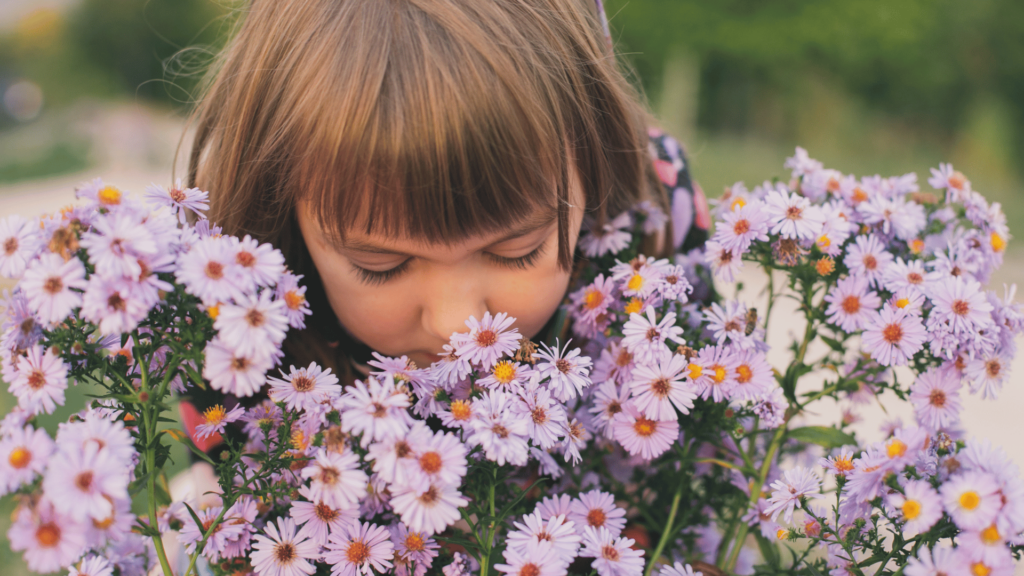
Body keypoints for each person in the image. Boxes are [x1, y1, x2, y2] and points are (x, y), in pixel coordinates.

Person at [179, 0, 710, 435]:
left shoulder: (658, 212)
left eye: (516, 248)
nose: (460, 327)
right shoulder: (228, 316)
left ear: (595, 161)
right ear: (278, 210)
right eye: (380, 262)